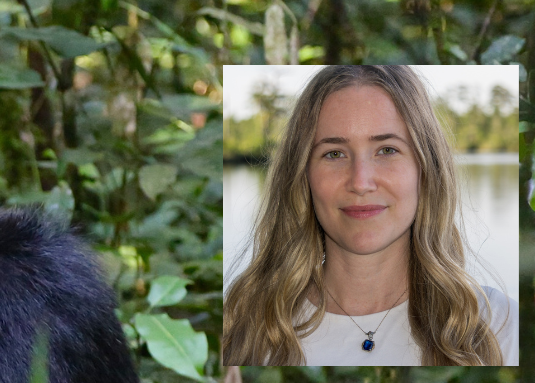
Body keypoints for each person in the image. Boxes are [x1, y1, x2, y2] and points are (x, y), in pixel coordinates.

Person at [222, 65, 518, 366]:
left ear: (426, 168)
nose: (360, 182)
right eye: (334, 153)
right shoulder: (245, 328)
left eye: (386, 150)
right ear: (302, 175)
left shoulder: (498, 328)